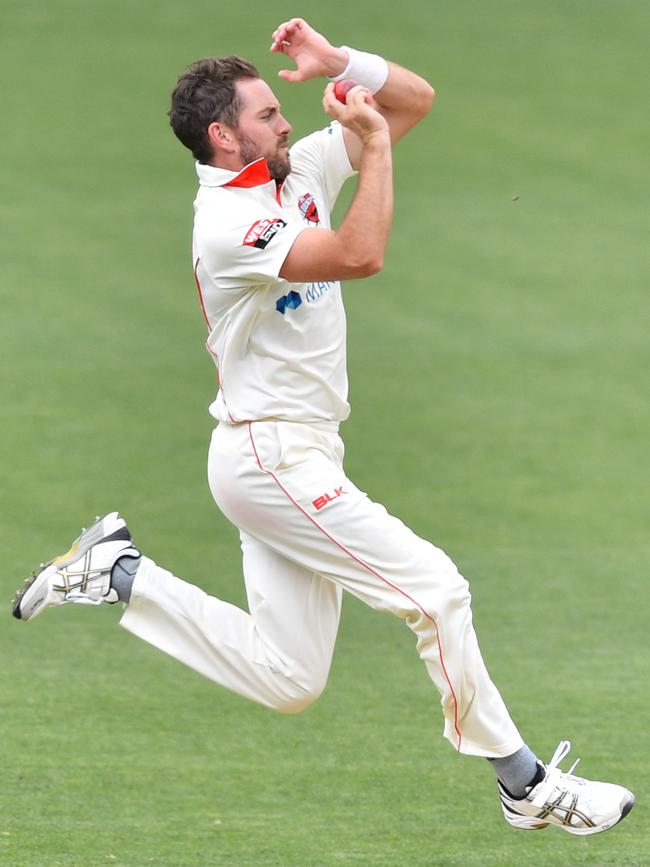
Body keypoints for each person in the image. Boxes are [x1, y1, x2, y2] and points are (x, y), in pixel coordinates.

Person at [12, 18, 634, 836]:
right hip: (270, 454)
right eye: (269, 114)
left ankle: (119, 571)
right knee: (437, 592)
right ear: (222, 136)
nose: (288, 122)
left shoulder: (292, 167)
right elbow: (358, 253)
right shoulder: (226, 226)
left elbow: (416, 99)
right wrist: (372, 150)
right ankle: (523, 782)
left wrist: (341, 62)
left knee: (289, 678)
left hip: (288, 450)